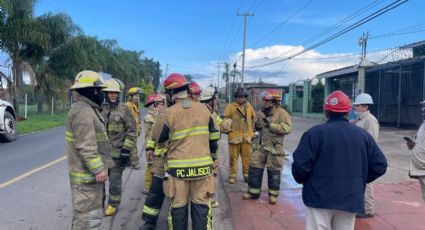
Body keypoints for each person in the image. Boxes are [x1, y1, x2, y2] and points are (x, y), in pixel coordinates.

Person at [292, 90, 387, 230]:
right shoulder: (362, 135)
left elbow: (300, 167)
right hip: (350, 197)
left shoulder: (314, 133)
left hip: (319, 197)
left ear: (326, 112)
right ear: (348, 112)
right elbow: (380, 165)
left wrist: (307, 181)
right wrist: (359, 179)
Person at [152, 73, 220, 230]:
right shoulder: (204, 109)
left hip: (178, 173)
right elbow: (214, 137)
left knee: (178, 210)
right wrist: (213, 156)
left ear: (170, 93)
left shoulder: (168, 113)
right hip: (203, 170)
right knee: (201, 209)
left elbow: (158, 139)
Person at [66, 70, 113, 230]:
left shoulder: (88, 109)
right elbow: (86, 145)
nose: (102, 94)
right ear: (92, 91)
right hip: (86, 179)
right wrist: (98, 169)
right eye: (100, 90)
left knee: (88, 219)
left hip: (89, 179)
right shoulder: (82, 111)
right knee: (87, 221)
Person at [242, 89, 292, 204]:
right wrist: (257, 127)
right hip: (259, 147)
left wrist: (271, 125)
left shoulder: (282, 113)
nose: (264, 102)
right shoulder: (260, 112)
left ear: (274, 102)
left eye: (267, 100)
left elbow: (287, 129)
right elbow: (255, 126)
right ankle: (253, 192)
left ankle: (273, 194)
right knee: (254, 168)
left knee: (274, 171)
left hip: (274, 148)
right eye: (264, 100)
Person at [102, 78, 137, 216]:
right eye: (110, 92)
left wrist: (126, 150)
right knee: (99, 181)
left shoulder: (124, 109)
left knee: (115, 182)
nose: (113, 95)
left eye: (115, 93)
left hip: (117, 154)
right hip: (102, 154)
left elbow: (132, 131)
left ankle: (113, 204)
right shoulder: (100, 108)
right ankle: (100, 202)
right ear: (106, 93)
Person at [140, 93, 167, 230]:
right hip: (157, 153)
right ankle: (149, 222)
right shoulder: (153, 117)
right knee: (155, 188)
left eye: (162, 104)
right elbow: (153, 134)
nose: (159, 106)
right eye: (157, 104)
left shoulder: (166, 114)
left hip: (168, 155)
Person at [352, 93, 379, 218]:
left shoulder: (370, 120)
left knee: (366, 182)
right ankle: (362, 206)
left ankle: (368, 209)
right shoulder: (359, 119)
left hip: (366, 155)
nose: (355, 108)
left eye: (357, 106)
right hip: (358, 155)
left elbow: (372, 140)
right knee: (360, 181)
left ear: (365, 106)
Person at [223, 87, 255, 184]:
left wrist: (251, 132)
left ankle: (246, 175)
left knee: (247, 158)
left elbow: (253, 119)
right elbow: (225, 119)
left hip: (246, 138)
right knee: (233, 157)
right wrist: (228, 129)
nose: (241, 99)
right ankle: (232, 175)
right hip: (234, 137)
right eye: (239, 97)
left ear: (245, 97)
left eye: (242, 97)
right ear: (236, 97)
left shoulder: (249, 107)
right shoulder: (231, 107)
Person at [199, 86, 224, 208]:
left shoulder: (209, 112)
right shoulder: (208, 113)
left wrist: (228, 124)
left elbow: (221, 123)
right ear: (211, 100)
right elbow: (213, 138)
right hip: (207, 150)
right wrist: (214, 157)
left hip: (199, 151)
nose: (217, 101)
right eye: (215, 99)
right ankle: (208, 199)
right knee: (210, 175)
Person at [142, 93, 166, 194]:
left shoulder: (158, 115)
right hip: (150, 143)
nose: (157, 106)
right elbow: (154, 128)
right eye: (156, 104)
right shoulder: (149, 117)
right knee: (150, 165)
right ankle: (147, 186)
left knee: (156, 165)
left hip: (155, 143)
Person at [406, 100, 425, 202]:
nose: (423, 109)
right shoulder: (423, 125)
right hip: (421, 169)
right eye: (423, 107)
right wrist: (412, 144)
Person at [126, 87, 143, 169]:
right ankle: (135, 163)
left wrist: (139, 129)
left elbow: (137, 119)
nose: (137, 97)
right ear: (130, 97)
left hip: (134, 130)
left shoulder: (135, 105)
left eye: (138, 96)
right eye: (135, 96)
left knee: (130, 146)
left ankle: (128, 162)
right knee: (133, 147)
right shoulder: (127, 106)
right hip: (130, 131)